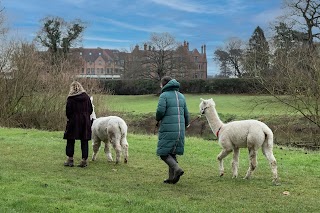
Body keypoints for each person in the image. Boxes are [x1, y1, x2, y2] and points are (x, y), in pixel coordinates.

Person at [155, 76, 190, 184]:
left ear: (164, 84)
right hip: (180, 129)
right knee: (172, 153)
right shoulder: (181, 96)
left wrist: (157, 119)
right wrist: (186, 124)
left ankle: (177, 169)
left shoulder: (163, 96)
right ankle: (172, 178)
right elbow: (186, 113)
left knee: (163, 153)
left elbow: (160, 111)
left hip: (168, 127)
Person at [63, 81, 93, 168]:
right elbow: (90, 110)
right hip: (85, 121)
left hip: (74, 121)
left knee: (70, 139)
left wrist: (71, 117)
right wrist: (85, 116)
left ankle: (70, 159)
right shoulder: (86, 98)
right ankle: (84, 160)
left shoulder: (70, 99)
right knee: (84, 140)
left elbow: (68, 112)